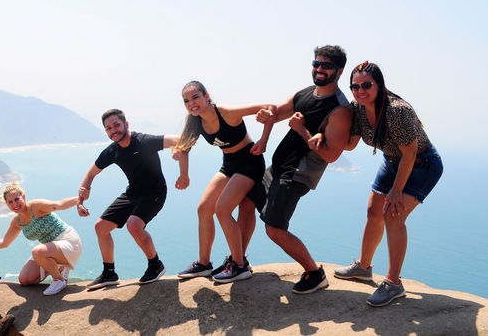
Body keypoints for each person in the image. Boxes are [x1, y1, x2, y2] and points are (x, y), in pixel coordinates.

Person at [330, 61, 443, 307]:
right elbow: (350, 144)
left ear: (380, 85)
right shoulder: (359, 109)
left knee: (392, 216)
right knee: (373, 212)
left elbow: (411, 154)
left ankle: (393, 283)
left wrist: (396, 191)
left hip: (422, 164)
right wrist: (321, 134)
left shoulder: (396, 111)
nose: (360, 90)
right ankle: (364, 267)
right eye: (355, 86)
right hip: (393, 161)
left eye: (367, 85)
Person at [251, 45, 352, 295]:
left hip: (296, 175)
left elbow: (331, 154)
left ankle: (314, 273)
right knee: (245, 198)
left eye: (326, 65)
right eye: (316, 63)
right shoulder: (305, 93)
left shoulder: (339, 109)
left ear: (339, 71)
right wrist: (267, 116)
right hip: (277, 168)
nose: (319, 69)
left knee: (274, 229)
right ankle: (239, 262)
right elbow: (276, 111)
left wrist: (301, 130)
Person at [172, 80, 275, 283]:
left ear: (207, 95)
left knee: (223, 209)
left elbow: (270, 108)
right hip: (229, 163)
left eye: (195, 97)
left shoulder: (226, 112)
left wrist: (264, 140)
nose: (192, 103)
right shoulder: (195, 121)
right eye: (186, 100)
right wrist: (184, 174)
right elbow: (183, 147)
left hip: (249, 161)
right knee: (203, 209)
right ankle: (203, 263)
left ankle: (239, 264)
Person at [77, 108, 189, 290]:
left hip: (155, 193)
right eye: (109, 128)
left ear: (126, 124)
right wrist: (81, 200)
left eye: (116, 125)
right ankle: (109, 273)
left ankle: (156, 265)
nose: (114, 130)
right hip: (133, 194)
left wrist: (183, 172)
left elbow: (180, 141)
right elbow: (91, 173)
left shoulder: (143, 141)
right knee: (100, 227)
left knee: (134, 225)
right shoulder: (112, 151)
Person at [0, 182, 84, 296]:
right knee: (25, 279)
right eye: (10, 202)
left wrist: (80, 199)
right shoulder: (17, 221)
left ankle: (59, 279)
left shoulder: (35, 206)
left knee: (37, 251)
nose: (14, 204)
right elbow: (4, 242)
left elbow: (59, 204)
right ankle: (60, 267)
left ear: (24, 197)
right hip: (50, 249)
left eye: (17, 199)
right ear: (6, 204)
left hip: (67, 241)